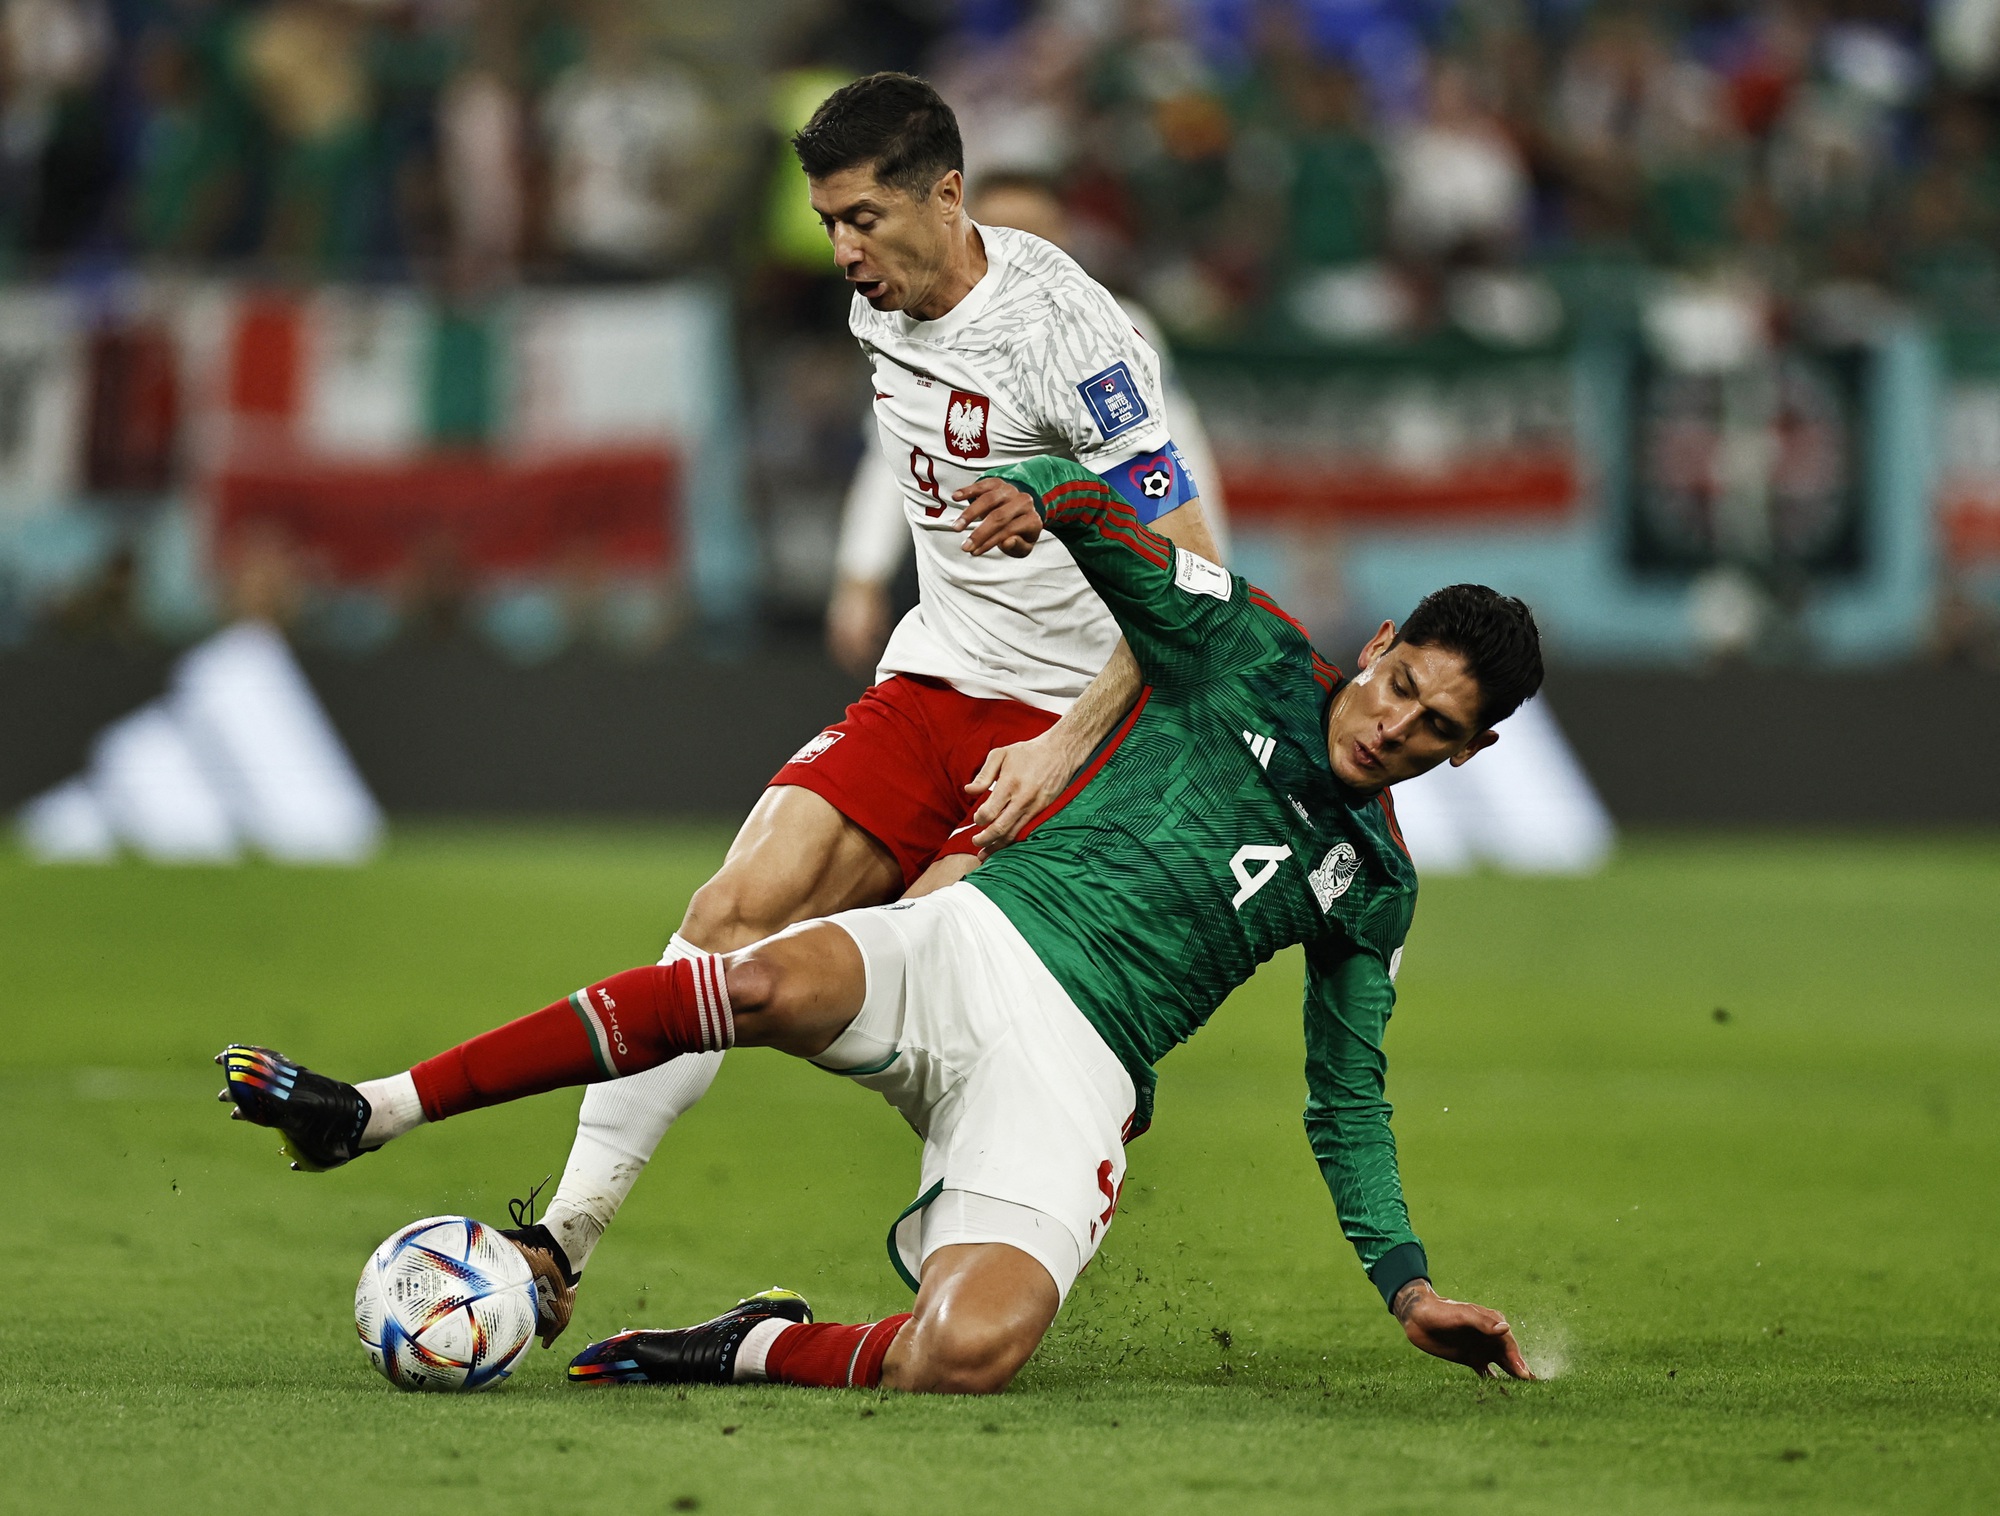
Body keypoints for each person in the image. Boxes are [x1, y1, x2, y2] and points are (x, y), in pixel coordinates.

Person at [218, 453, 1539, 1395]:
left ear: (1469, 755)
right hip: (974, 944)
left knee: (971, 1353)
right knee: (748, 973)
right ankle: (380, 1112)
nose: (1394, 728)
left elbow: (1346, 1098)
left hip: (1077, 1076)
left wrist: (1410, 1287)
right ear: (1376, 645)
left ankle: (742, 1344)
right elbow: (1115, 521)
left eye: (1437, 729)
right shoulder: (1244, 644)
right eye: (1401, 685)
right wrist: (1048, 495)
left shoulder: (1375, 884)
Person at [500, 72, 1224, 1336]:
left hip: (1073, 721)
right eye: (827, 222)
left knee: (922, 976)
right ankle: (560, 1240)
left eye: (864, 219)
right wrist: (859, 577)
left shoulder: (1079, 340)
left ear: (947, 197)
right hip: (930, 677)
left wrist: (1065, 741)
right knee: (728, 915)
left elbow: (1198, 573)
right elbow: (916, 459)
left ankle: (1064, 1085)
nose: (842, 250)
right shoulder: (876, 306)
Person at [826, 168, 1231, 679]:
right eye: (1000, 229)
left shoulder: (1111, 331)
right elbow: (891, 459)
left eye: (1035, 232)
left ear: (1063, 238)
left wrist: (1211, 579)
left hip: (1089, 615)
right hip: (968, 618)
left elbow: (1172, 463)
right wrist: (860, 573)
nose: (1016, 246)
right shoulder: (919, 324)